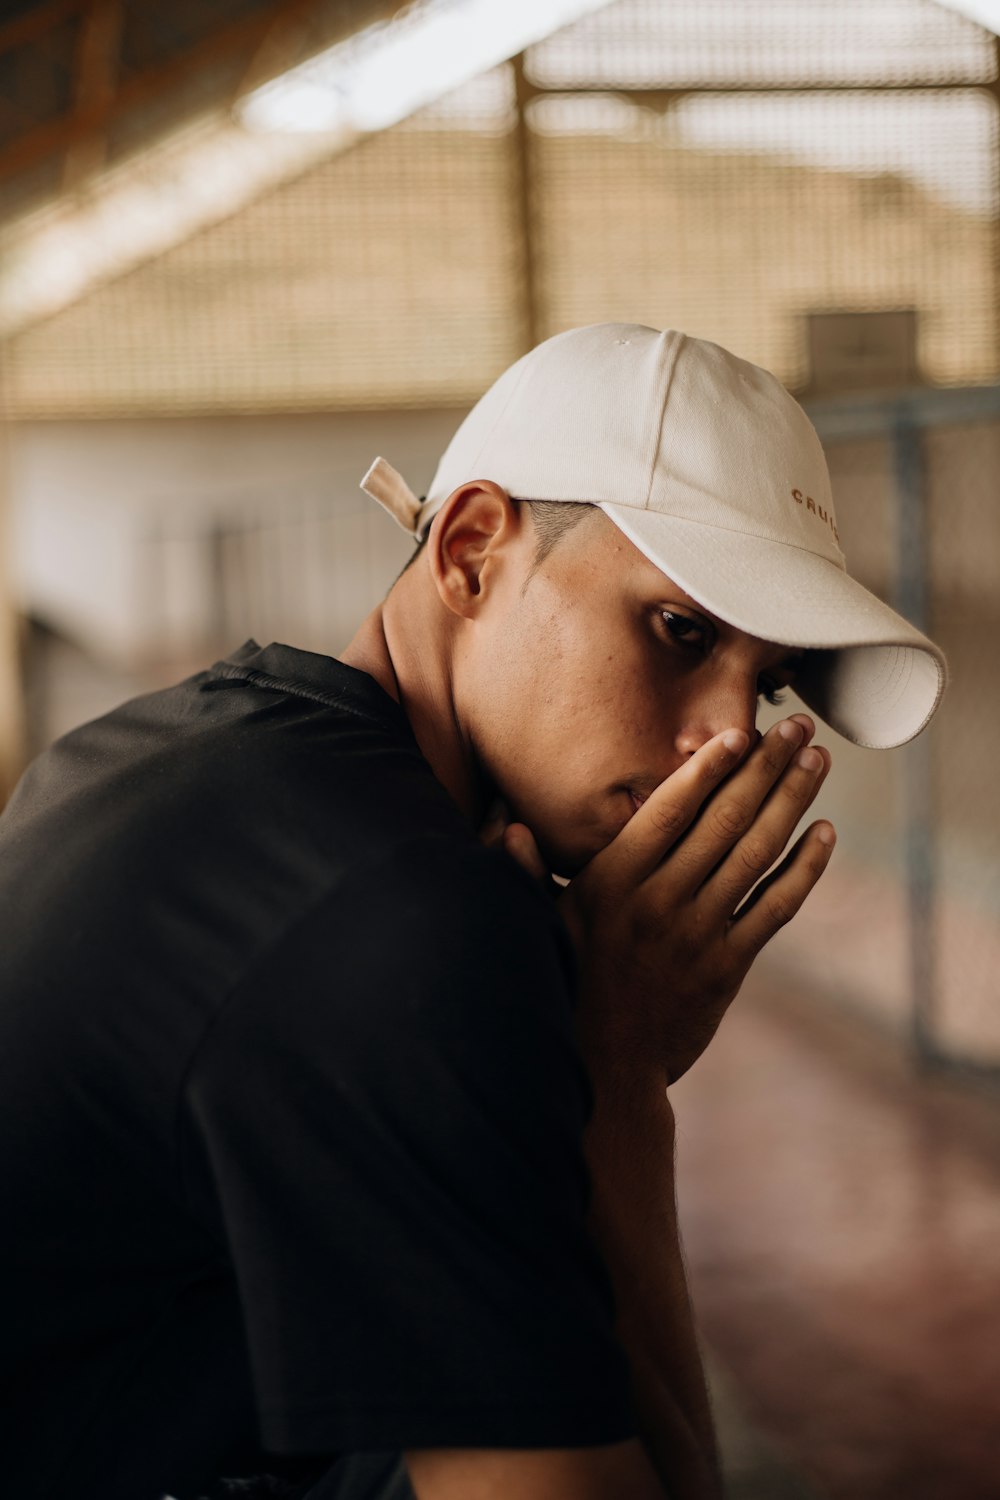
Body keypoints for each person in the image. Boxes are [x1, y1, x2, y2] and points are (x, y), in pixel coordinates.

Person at [0, 325, 945, 1500]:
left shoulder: (168, 749)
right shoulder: (400, 919)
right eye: (680, 630)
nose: (731, 734)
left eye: (764, 679)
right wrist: (612, 1073)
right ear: (470, 550)